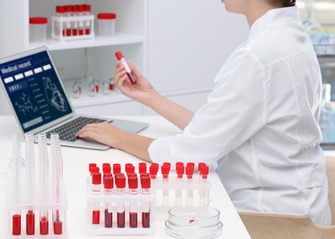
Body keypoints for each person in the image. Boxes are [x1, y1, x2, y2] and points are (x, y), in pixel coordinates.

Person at [77, 0, 332, 226]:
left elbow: (192, 152)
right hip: (299, 203)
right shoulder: (289, 38)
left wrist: (118, 138)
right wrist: (151, 97)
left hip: (273, 219)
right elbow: (215, 129)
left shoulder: (258, 57)